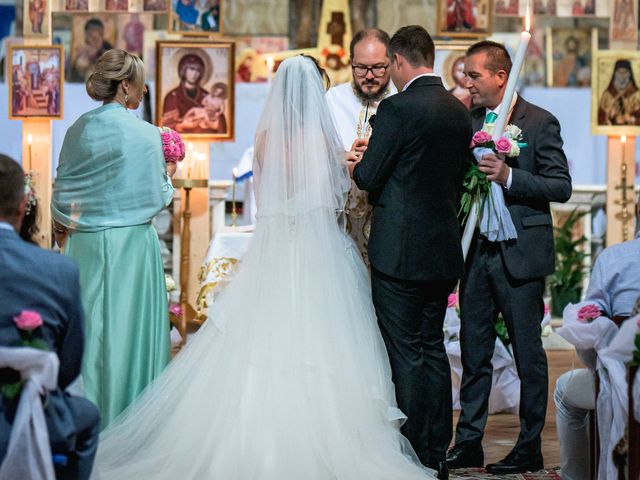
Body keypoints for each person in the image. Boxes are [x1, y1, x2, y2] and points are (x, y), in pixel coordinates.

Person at [91, 54, 434, 480]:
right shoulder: (323, 142)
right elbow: (342, 196)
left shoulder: (266, 139)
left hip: (275, 251)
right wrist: (349, 165)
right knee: (326, 345)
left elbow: (268, 193)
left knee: (258, 340)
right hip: (320, 251)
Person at [349, 25, 473, 479]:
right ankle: (438, 449)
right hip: (442, 251)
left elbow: (368, 178)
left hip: (399, 253)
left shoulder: (397, 108)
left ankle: (411, 452)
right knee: (433, 348)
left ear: (399, 61)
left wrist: (360, 160)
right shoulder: (459, 111)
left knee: (404, 353)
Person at [445, 40, 572, 474]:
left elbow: (560, 186)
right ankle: (468, 444)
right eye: (465, 74)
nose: (467, 82)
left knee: (527, 354)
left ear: (501, 76)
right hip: (477, 253)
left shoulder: (539, 122)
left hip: (520, 253)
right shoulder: (467, 121)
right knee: (474, 352)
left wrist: (510, 175)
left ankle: (530, 444)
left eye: (474, 75)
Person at [52, 49, 175, 429]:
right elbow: (157, 197)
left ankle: (82, 420)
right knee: (129, 337)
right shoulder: (145, 134)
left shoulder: (79, 129)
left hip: (86, 244)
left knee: (88, 333)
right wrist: (168, 171)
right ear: (125, 85)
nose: (143, 90)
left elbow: (62, 192)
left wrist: (64, 233)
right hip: (132, 247)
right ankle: (133, 422)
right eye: (139, 84)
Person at [0, 154, 100, 480]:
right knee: (87, 417)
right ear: (22, 206)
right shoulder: (58, 270)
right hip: (20, 416)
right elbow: (68, 368)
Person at [554, 198, 640, 480]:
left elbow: (591, 334)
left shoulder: (615, 258)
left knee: (564, 393)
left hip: (624, 381)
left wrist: (597, 368)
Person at [325, 28, 396, 266]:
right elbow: (314, 148)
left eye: (378, 67)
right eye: (361, 67)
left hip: (386, 216)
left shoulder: (401, 99)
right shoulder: (333, 99)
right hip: (341, 218)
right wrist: (340, 156)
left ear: (392, 62)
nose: (369, 75)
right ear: (350, 63)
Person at [162, 53, 226, 134]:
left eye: (198, 70)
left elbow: (220, 119)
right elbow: (166, 127)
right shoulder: (172, 96)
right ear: (183, 70)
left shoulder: (207, 95)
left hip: (206, 140)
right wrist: (181, 126)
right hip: (180, 142)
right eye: (192, 69)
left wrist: (216, 122)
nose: (194, 74)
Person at [598, 59, 640, 126]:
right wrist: (610, 116)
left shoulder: (636, 95)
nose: (622, 76)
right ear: (615, 74)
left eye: (625, 72)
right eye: (619, 72)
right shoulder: (607, 94)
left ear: (629, 74)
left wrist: (632, 119)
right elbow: (600, 120)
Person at [70, 18, 113, 82]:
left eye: (98, 34)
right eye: (90, 35)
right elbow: (72, 79)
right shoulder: (82, 51)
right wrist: (80, 69)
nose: (95, 36)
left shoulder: (108, 50)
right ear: (86, 35)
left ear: (102, 34)